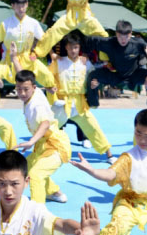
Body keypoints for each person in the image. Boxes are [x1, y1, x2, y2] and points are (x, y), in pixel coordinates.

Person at [49, 33, 115, 163]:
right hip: (62, 103)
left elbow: (94, 76)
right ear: (66, 48)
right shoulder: (59, 62)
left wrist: (94, 83)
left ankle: (109, 155)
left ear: (79, 48)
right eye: (70, 47)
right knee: (48, 127)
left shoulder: (86, 63)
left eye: (76, 47)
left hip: (80, 104)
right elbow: (46, 77)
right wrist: (48, 88)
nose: (73, 50)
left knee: (94, 127)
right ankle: (41, 151)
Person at [12, 63, 72, 204]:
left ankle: (36, 212)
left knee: (35, 174)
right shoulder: (34, 91)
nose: (22, 93)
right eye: (18, 89)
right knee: (28, 165)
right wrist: (14, 58)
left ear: (33, 87)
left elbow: (45, 124)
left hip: (56, 145)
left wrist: (31, 141)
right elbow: (23, 75)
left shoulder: (36, 106)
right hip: (43, 143)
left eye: (25, 89)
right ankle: (54, 192)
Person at [0, 0, 56, 89]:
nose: (21, 9)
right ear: (13, 6)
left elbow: (44, 40)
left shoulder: (33, 23)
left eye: (23, 5)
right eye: (18, 6)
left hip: (28, 59)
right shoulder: (5, 24)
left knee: (48, 77)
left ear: (27, 4)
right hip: (8, 60)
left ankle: (53, 100)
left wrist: (52, 54)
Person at [83, 20, 147, 108]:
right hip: (114, 74)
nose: (123, 40)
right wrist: (84, 55)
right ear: (116, 34)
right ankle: (93, 105)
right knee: (92, 76)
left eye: (126, 37)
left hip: (133, 75)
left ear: (131, 34)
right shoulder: (109, 43)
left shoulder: (138, 43)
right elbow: (90, 40)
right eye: (120, 36)